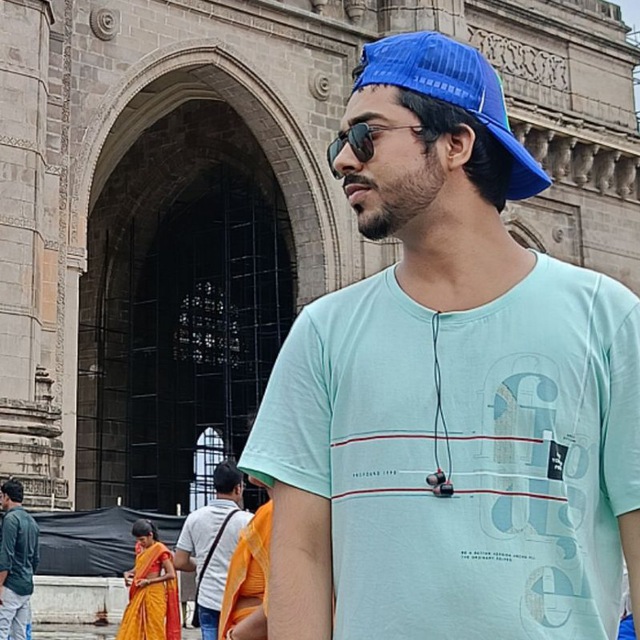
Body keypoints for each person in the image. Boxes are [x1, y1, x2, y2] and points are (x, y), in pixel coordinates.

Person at [238, 30, 640, 640]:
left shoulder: (607, 321)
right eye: (340, 142)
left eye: (366, 135)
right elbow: (302, 554)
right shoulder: (323, 334)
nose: (344, 160)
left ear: (456, 144)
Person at [175, 460, 252, 640]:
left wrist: (200, 563)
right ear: (238, 488)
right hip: (238, 598)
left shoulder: (194, 518)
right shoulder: (248, 521)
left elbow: (179, 561)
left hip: (207, 598)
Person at [218, 478, 273, 640]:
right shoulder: (257, 515)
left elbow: (284, 596)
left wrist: (237, 635)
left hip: (253, 629)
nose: (252, 479)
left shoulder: (277, 513)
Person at [116, 518, 181, 640]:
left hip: (155, 593)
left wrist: (149, 581)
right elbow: (140, 567)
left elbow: (171, 574)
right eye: (137, 540)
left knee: (154, 627)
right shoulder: (140, 548)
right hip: (140, 591)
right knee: (134, 625)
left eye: (142, 539)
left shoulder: (160, 550)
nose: (140, 542)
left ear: (150, 535)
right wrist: (129, 572)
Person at [0, 480, 39, 640]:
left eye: (1, 496)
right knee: (20, 633)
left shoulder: (10, 520)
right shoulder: (32, 522)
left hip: (10, 584)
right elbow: (35, 558)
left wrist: (0, 585)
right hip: (25, 585)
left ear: (7, 497)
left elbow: (6, 555)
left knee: (2, 630)